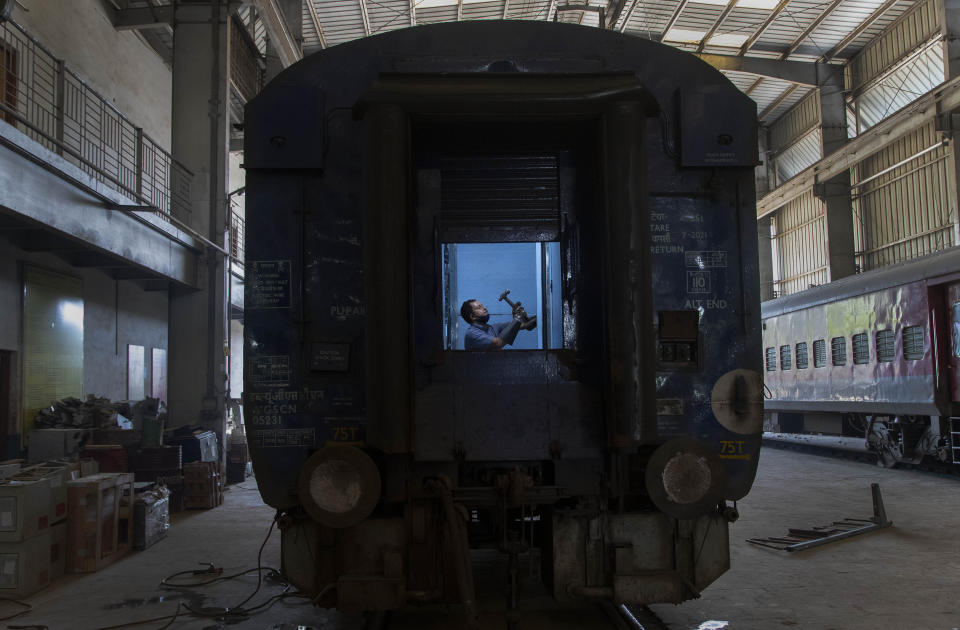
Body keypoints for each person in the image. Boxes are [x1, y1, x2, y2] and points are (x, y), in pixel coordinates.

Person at [461, 299, 537, 351]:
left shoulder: (492, 328)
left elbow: (523, 325)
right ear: (473, 316)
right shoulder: (472, 333)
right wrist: (517, 318)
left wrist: (537, 317)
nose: (484, 308)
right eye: (479, 307)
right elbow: (498, 343)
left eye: (483, 305)